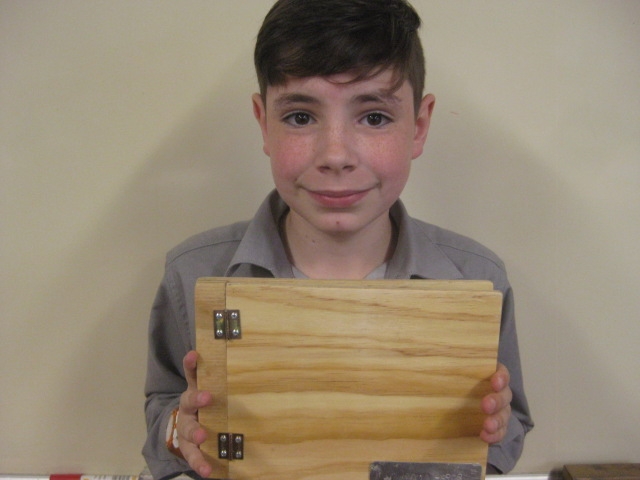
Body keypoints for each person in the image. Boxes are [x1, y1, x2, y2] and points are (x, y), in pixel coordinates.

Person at [143, 0, 534, 478]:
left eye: (374, 117)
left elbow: (510, 428)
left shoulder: (477, 278)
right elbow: (164, 405)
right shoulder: (192, 273)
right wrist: (178, 428)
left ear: (419, 126)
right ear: (263, 122)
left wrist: (493, 427)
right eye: (300, 117)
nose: (335, 155)